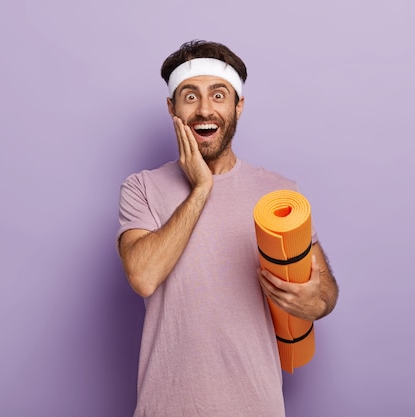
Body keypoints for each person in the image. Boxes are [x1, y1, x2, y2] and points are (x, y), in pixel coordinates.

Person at [116, 39, 339, 417]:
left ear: (239, 106)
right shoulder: (142, 188)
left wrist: (316, 302)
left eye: (219, 95)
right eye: (190, 96)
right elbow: (143, 276)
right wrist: (201, 188)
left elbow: (324, 292)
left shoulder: (279, 192)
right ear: (172, 108)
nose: (205, 109)